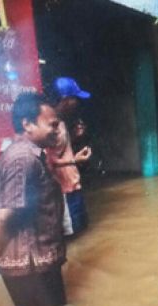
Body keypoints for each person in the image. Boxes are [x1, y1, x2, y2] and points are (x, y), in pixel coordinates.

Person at [0, 93, 67, 306]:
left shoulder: (31, 154)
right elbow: (3, 215)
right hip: (30, 265)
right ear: (27, 124)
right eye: (52, 125)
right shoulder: (22, 158)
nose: (57, 130)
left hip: (35, 261)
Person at [51, 77, 93, 234]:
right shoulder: (50, 125)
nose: (77, 103)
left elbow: (60, 151)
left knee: (82, 231)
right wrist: (74, 160)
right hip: (63, 191)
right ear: (66, 100)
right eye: (75, 98)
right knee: (73, 236)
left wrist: (75, 136)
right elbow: (47, 160)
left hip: (73, 185)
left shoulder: (60, 122)